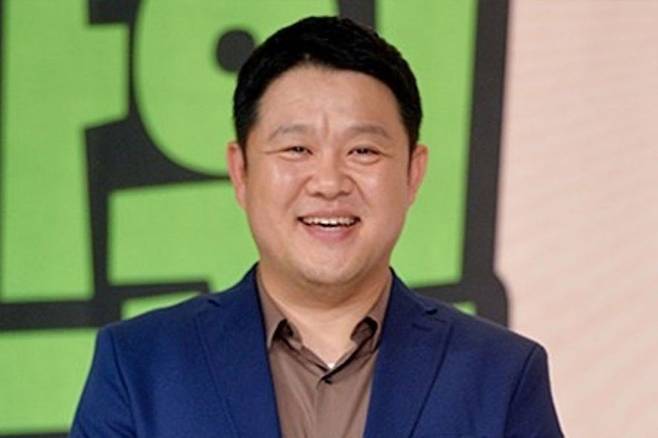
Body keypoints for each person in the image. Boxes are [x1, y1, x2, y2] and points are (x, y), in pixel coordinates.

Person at [70, 16, 563, 437]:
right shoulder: (140, 365)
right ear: (241, 171)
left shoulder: (501, 375)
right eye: (296, 149)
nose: (329, 183)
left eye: (363, 150)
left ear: (413, 173)